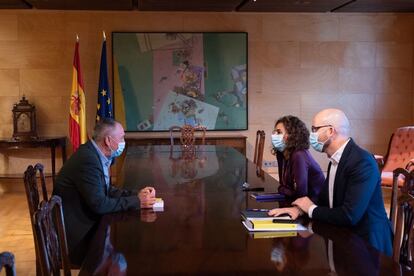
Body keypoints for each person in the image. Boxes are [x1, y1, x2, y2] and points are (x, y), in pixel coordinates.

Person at [269, 109, 393, 256]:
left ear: (330, 131)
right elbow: (324, 201)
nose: (312, 134)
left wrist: (311, 209)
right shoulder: (335, 160)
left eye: (315, 129)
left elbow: (349, 215)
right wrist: (299, 210)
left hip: (368, 246)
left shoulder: (361, 162)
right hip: (343, 235)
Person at [53, 118, 156, 263]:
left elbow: (106, 190)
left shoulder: (94, 154)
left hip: (84, 223)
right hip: (77, 238)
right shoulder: (88, 160)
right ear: (108, 141)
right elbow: (100, 205)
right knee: (128, 244)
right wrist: (137, 202)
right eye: (121, 138)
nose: (123, 142)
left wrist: (136, 194)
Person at [271, 115, 325, 202]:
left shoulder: (299, 155)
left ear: (292, 135)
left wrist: (284, 189)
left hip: (314, 205)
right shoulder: (281, 153)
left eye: (279, 132)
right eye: (275, 132)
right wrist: (285, 189)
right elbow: (282, 184)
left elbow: (300, 194)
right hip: (296, 202)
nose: (274, 135)